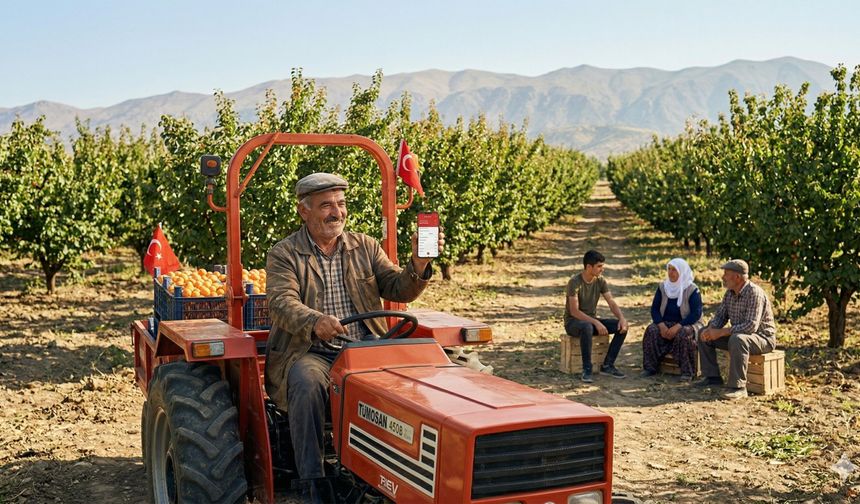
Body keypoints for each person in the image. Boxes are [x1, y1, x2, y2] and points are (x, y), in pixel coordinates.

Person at [264, 173, 442, 503]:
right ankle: (313, 479)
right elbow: (280, 303)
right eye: (326, 206)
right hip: (314, 350)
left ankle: (400, 470)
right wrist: (315, 321)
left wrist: (419, 263)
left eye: (341, 204)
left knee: (416, 378)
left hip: (366, 348)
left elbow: (397, 286)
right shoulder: (284, 253)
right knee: (305, 382)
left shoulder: (365, 246)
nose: (337, 213)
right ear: (304, 211)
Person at [697, 259, 776, 400]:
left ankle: (738, 387)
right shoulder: (730, 293)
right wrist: (711, 329)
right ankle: (712, 377)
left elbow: (751, 326)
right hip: (739, 337)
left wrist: (721, 332)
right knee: (703, 332)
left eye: (726, 273)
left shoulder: (754, 294)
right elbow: (720, 316)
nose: (723, 277)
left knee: (737, 339)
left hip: (762, 339)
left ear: (737, 277)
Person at [564, 249, 629, 382]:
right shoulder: (574, 282)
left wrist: (622, 319)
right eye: (599, 266)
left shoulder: (600, 280)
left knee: (621, 326)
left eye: (602, 266)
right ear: (589, 267)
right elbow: (574, 311)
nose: (602, 269)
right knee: (587, 326)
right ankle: (587, 369)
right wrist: (596, 322)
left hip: (590, 322)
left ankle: (607, 365)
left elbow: (611, 302)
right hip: (573, 323)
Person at [640, 258, 704, 381]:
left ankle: (687, 372)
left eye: (674, 270)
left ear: (682, 271)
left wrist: (678, 326)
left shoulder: (692, 289)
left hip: (688, 324)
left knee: (683, 334)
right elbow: (655, 309)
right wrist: (661, 325)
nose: (671, 273)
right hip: (666, 323)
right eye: (669, 269)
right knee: (651, 330)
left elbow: (696, 314)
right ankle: (650, 368)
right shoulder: (663, 287)